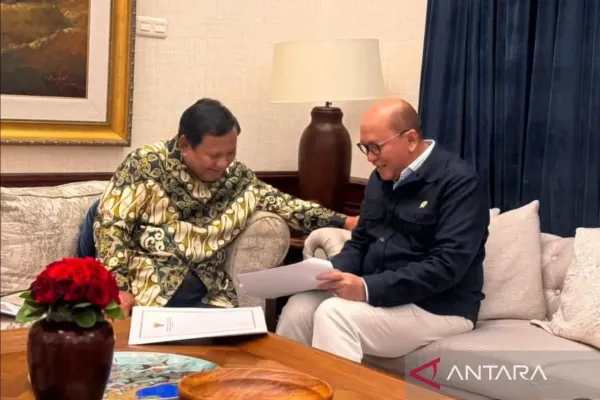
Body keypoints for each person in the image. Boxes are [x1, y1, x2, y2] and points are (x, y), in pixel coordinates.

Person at [89, 98, 358, 316]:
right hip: (148, 285)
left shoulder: (235, 177)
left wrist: (343, 221)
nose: (223, 163)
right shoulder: (145, 165)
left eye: (231, 153)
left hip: (208, 290)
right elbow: (112, 228)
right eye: (214, 155)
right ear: (185, 144)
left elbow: (282, 203)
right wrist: (119, 288)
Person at [275, 98, 490, 363]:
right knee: (299, 307)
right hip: (383, 294)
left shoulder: (459, 183)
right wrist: (325, 272)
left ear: (410, 139)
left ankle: (340, 386)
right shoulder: (381, 179)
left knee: (335, 314)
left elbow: (446, 266)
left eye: (375, 147)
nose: (370, 158)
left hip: (439, 306)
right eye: (365, 148)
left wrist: (367, 288)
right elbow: (361, 242)